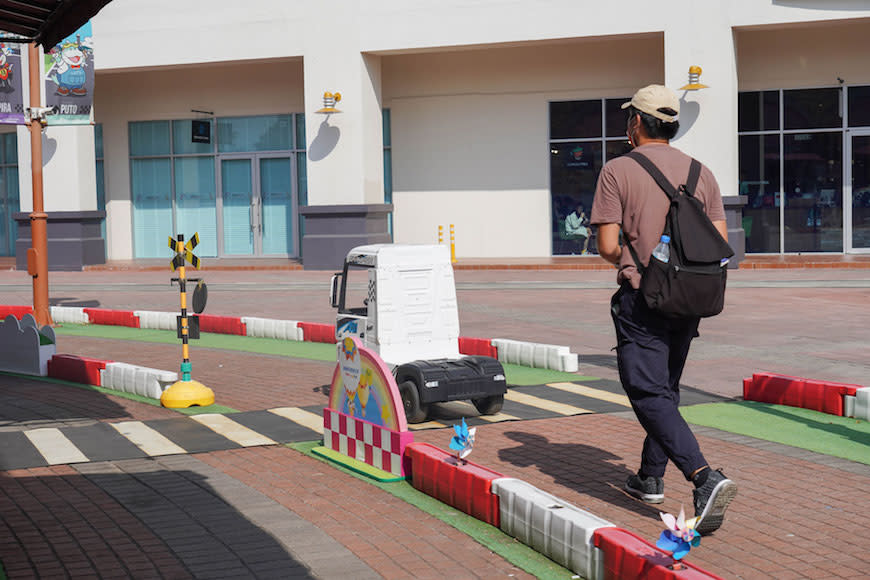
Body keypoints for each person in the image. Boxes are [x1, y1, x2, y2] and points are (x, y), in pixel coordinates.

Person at [590, 84, 737, 535]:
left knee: (646, 390)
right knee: (665, 388)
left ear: (636, 122)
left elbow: (608, 246)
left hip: (644, 298)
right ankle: (650, 476)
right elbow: (719, 242)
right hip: (691, 299)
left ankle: (703, 477)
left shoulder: (618, 170)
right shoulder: (701, 172)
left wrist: (639, 262)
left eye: (628, 118)